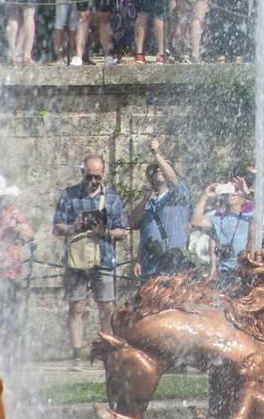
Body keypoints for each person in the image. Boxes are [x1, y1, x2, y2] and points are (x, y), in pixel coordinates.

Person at [53, 155, 128, 369]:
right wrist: (74, 227)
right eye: (89, 176)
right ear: (82, 172)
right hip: (76, 259)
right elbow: (57, 226)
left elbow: (123, 230)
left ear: (103, 174)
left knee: (107, 307)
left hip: (103, 257)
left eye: (97, 177)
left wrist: (105, 232)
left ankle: (107, 352)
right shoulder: (69, 196)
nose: (93, 181)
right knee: (76, 306)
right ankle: (77, 354)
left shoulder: (112, 198)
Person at [128, 137, 191, 281]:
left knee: (172, 302)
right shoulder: (149, 202)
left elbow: (173, 180)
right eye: (156, 168)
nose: (159, 169)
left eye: (162, 167)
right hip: (149, 265)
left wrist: (156, 153)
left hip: (172, 265)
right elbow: (134, 224)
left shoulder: (179, 195)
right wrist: (144, 199)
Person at [0, 175, 33, 357]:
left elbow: (29, 232)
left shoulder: (12, 212)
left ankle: (7, 354)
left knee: (8, 317)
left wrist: (21, 230)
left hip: (8, 273)